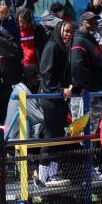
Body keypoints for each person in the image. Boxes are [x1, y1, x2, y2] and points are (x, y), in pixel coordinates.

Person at [38, 19, 74, 184]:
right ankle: (42, 176)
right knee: (51, 135)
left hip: (60, 99)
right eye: (66, 31)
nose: (68, 35)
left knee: (59, 135)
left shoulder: (64, 49)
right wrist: (60, 90)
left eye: (71, 32)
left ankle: (52, 173)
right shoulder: (52, 46)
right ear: (59, 31)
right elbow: (46, 74)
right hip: (50, 97)